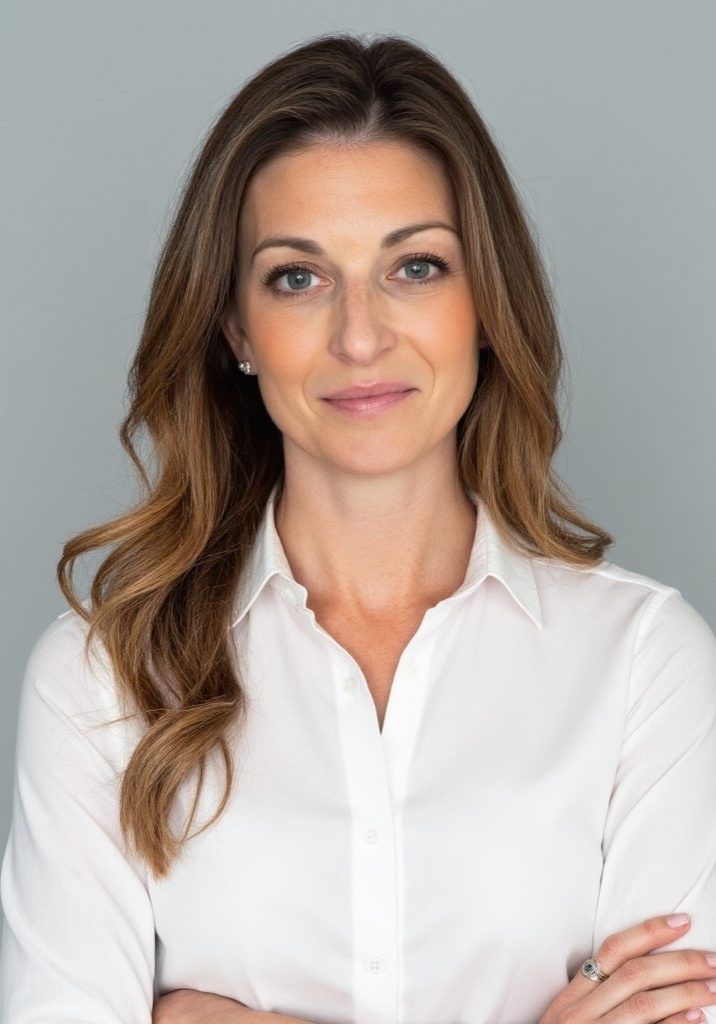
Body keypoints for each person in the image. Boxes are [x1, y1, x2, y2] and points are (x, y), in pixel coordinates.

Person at [1, 30, 715, 1024]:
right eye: (298, 276)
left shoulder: (645, 664)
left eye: (414, 267)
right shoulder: (100, 678)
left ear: (483, 305)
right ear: (235, 328)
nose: (359, 335)